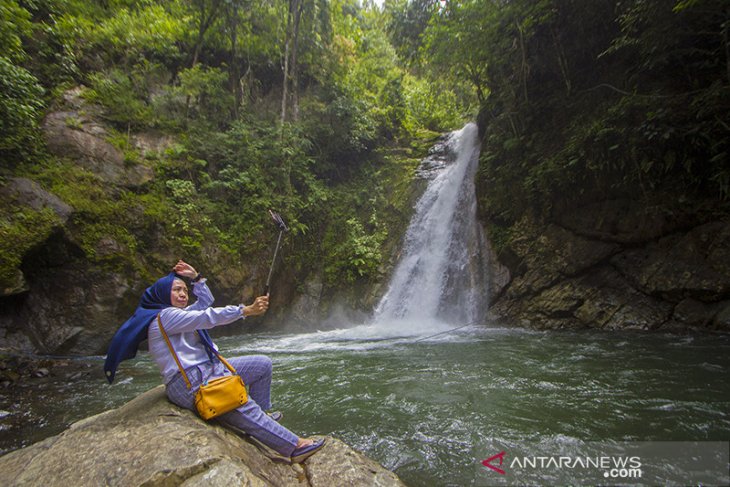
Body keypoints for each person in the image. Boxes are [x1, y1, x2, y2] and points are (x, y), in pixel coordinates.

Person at [104, 260, 324, 463]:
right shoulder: (165, 317)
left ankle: (264, 420)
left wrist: (196, 278)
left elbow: (205, 302)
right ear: (162, 293)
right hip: (190, 381)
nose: (183, 294)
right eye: (176, 290)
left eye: (184, 290)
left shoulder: (179, 315)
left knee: (261, 365)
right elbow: (207, 317)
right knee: (243, 405)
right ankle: (294, 447)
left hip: (209, 369)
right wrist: (244, 310)